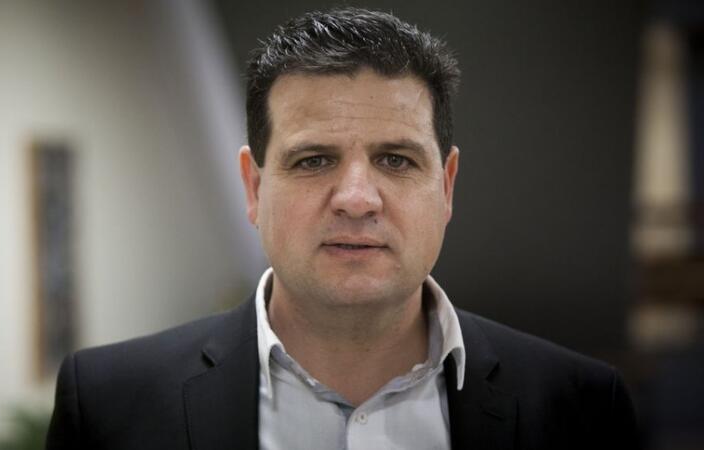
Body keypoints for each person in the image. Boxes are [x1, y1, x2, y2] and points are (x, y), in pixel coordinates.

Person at [46, 7, 637, 450]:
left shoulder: (582, 407)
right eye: (314, 160)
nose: (356, 199)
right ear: (254, 188)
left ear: (447, 186)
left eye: (396, 160)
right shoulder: (107, 403)